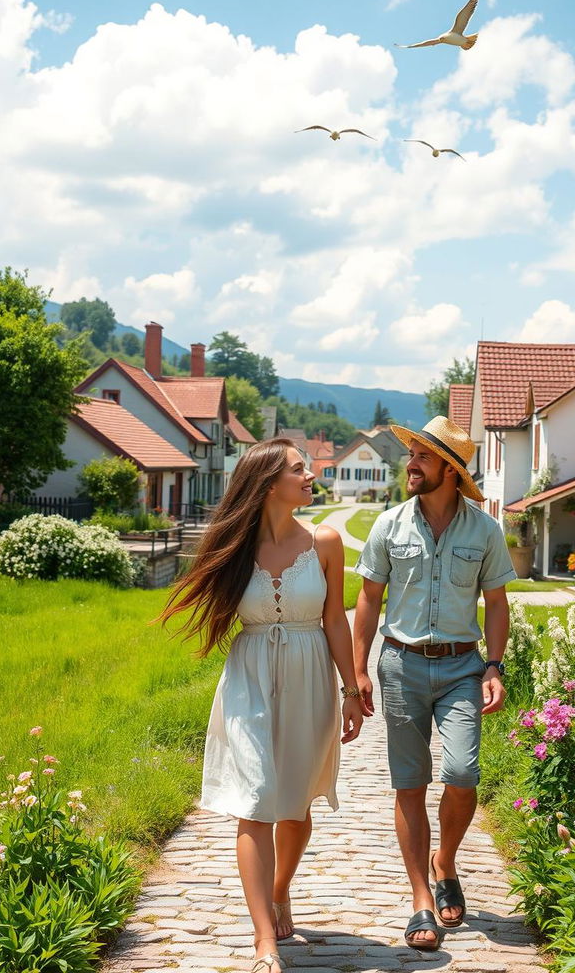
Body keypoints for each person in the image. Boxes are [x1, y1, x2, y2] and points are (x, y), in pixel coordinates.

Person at [160, 438, 364, 973]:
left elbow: (335, 620)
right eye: (300, 469)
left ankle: (279, 892)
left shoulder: (325, 541)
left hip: (310, 676)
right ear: (270, 482)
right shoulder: (232, 545)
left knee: (294, 807)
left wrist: (352, 690)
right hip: (249, 677)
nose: (311, 475)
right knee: (254, 801)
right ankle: (262, 941)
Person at [353, 416, 516, 952]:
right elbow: (368, 601)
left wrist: (494, 664)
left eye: (422, 456)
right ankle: (421, 895)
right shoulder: (389, 525)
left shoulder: (484, 530)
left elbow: (496, 603)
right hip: (400, 665)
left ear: (449, 468)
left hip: (463, 667)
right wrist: (357, 672)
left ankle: (445, 859)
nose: (410, 464)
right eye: (411, 455)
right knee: (410, 784)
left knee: (463, 771)